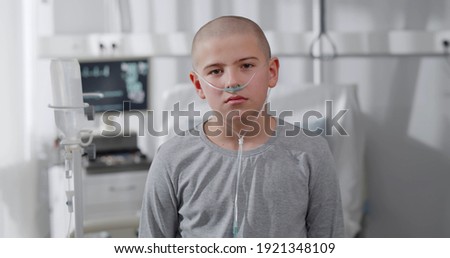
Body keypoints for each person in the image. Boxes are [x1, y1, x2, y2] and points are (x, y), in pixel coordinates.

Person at [138, 15, 344, 238]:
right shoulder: (172, 159)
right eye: (216, 71)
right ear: (198, 84)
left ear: (271, 72)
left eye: (246, 65)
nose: (232, 82)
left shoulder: (311, 153)